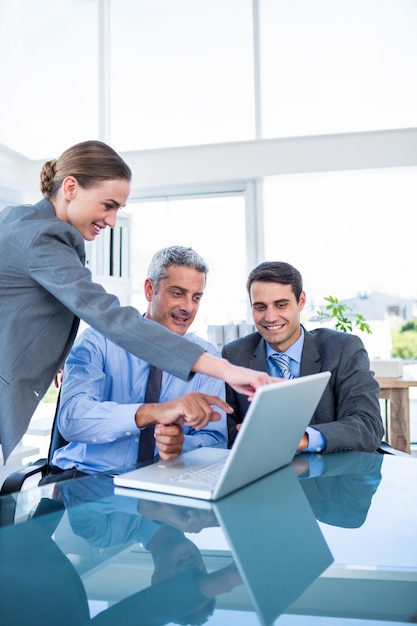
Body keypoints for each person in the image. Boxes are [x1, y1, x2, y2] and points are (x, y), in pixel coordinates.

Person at [0, 140, 274, 462]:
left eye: (118, 210)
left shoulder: (23, 222)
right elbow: (108, 315)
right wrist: (225, 370)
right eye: (108, 205)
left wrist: (53, 352)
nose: (113, 220)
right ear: (71, 187)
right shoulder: (44, 238)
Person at [51, 245, 228, 476]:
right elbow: (72, 419)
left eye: (196, 297)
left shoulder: (207, 357)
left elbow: (216, 439)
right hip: (92, 478)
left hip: (167, 484)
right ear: (149, 289)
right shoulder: (98, 340)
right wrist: (153, 412)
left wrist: (181, 445)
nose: (188, 307)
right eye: (177, 293)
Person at [222, 261, 385, 452]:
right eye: (260, 307)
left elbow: (368, 425)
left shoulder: (342, 348)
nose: (270, 317)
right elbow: (228, 432)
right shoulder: (234, 355)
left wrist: (301, 439)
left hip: (332, 473)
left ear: (301, 301)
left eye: (281, 305)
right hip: (265, 470)